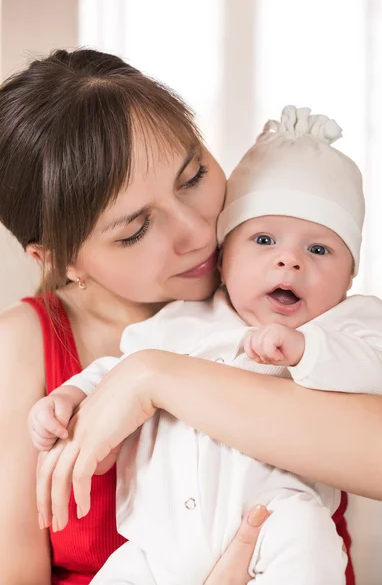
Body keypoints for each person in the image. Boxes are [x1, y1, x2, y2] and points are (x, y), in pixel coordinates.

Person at [29, 106, 382, 584]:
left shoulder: (348, 322)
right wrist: (70, 399)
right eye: (264, 239)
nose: (289, 260)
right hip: (155, 545)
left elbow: (381, 369)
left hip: (274, 519)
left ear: (350, 275)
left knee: (309, 546)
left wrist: (307, 351)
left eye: (320, 249)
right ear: (224, 260)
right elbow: (115, 373)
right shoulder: (181, 321)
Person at [0, 48, 268, 585]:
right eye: (135, 231)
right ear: (59, 260)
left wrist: (151, 378)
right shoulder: (23, 349)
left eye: (193, 176)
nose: (196, 230)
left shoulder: (278, 286)